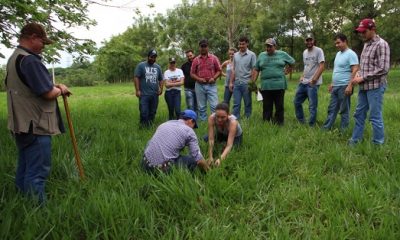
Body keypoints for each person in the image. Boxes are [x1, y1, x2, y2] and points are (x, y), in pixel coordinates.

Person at [5, 22, 71, 204]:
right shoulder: (30, 60)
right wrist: (61, 89)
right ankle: (37, 211)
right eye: (42, 42)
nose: (43, 46)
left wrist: (53, 87)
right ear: (33, 37)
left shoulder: (14, 58)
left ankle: (22, 202)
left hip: (21, 124)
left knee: (25, 166)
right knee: (37, 173)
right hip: (36, 124)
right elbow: (48, 93)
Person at [349, 18, 390, 145]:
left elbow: (383, 69)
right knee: (359, 114)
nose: (362, 34)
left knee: (375, 117)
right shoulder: (366, 44)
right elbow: (365, 65)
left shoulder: (381, 44)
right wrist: (358, 75)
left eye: (364, 31)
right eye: (360, 32)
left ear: (373, 29)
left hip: (375, 87)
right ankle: (355, 141)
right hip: (363, 87)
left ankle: (378, 144)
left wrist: (363, 77)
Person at [141, 110, 209, 173]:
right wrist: (209, 171)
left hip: (145, 165)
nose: (192, 128)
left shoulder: (165, 124)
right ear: (191, 121)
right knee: (193, 160)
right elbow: (199, 160)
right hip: (162, 169)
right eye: (194, 126)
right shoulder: (189, 131)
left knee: (150, 142)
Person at [252, 38, 295, 125]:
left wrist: (288, 70)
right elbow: (256, 69)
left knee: (279, 105)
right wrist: (253, 82)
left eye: (270, 46)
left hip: (279, 85)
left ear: (275, 46)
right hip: (266, 85)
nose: (268, 48)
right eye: (267, 46)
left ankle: (279, 123)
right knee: (267, 105)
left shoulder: (282, 54)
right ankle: (267, 122)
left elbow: (292, 62)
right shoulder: (261, 55)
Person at [323, 33, 359, 131]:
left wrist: (350, 85)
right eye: (335, 43)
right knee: (332, 108)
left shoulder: (351, 54)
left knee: (344, 109)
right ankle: (326, 128)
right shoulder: (338, 54)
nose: (337, 45)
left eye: (338, 43)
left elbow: (355, 69)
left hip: (345, 86)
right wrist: (332, 83)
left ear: (345, 41)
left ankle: (344, 130)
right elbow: (336, 69)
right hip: (336, 86)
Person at [294, 34, 325, 126]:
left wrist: (314, 80)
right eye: (307, 40)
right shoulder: (304, 52)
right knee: (296, 102)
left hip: (313, 83)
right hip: (304, 82)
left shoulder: (318, 50)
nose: (309, 42)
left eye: (310, 40)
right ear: (305, 41)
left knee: (312, 105)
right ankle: (301, 121)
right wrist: (302, 76)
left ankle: (311, 124)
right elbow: (306, 65)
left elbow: (322, 66)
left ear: (313, 40)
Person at [190, 39, 222, 121]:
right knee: (201, 107)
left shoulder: (214, 58)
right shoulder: (195, 60)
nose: (203, 48)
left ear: (208, 47)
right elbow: (192, 73)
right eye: (202, 46)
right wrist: (199, 79)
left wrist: (214, 78)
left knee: (214, 105)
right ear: (199, 48)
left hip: (211, 84)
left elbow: (219, 70)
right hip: (199, 85)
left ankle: (214, 121)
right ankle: (203, 122)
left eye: (205, 46)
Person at [134, 49, 164, 127]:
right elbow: (136, 77)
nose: (153, 59)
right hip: (144, 94)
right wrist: (137, 90)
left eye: (154, 57)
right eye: (151, 57)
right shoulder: (141, 65)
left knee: (153, 112)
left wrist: (161, 89)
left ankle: (150, 126)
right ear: (148, 57)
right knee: (144, 112)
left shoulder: (158, 67)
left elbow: (161, 79)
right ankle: (143, 126)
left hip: (154, 94)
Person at [229, 36, 257, 119]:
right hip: (237, 83)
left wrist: (252, 83)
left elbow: (254, 69)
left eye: (243, 44)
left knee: (247, 102)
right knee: (236, 103)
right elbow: (234, 70)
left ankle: (247, 118)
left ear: (247, 44)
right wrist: (231, 82)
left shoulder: (252, 55)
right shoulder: (235, 55)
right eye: (240, 44)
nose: (241, 46)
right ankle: (235, 119)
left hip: (246, 83)